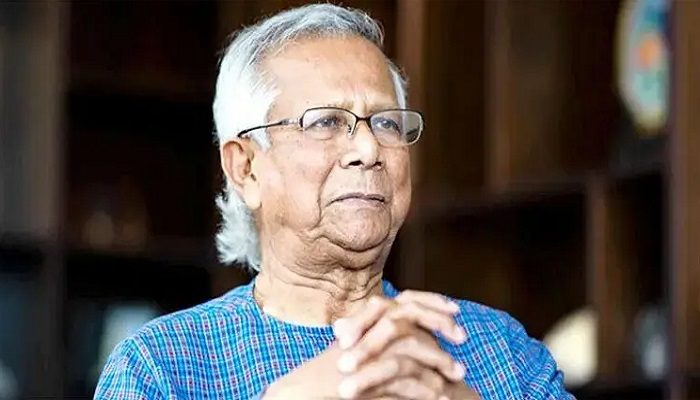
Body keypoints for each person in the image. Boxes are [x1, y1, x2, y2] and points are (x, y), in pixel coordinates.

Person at [94, 3, 574, 400]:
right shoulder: (163, 368)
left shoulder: (499, 351)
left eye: (386, 123)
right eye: (325, 122)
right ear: (246, 168)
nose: (368, 148)